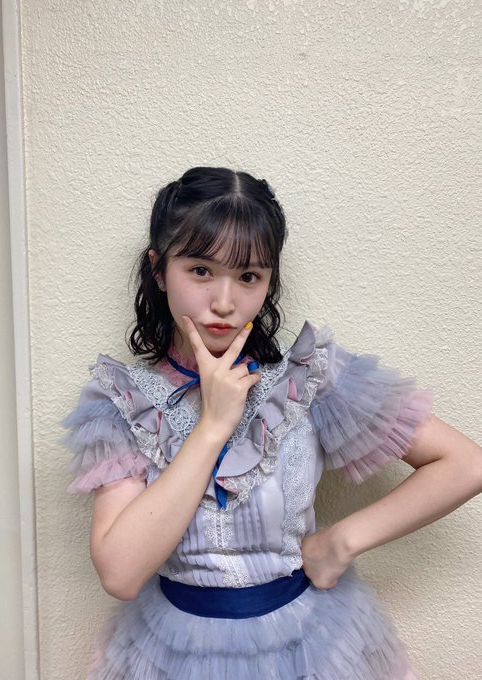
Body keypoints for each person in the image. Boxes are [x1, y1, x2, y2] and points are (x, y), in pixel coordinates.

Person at [63, 166, 482, 679]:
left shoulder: (306, 379)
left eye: (248, 276)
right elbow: (120, 574)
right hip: (173, 651)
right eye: (200, 270)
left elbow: (465, 464)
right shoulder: (121, 400)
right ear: (159, 269)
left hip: (311, 645)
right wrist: (212, 426)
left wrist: (342, 540)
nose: (224, 302)